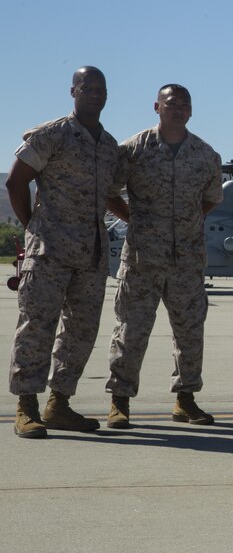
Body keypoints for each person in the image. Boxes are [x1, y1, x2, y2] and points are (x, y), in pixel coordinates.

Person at [6, 67, 120, 438]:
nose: (94, 94)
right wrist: (32, 227)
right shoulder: (52, 134)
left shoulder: (108, 145)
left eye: (100, 89)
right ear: (73, 91)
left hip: (91, 254)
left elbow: (112, 195)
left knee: (81, 332)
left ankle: (60, 403)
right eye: (87, 88)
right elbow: (16, 180)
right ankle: (26, 406)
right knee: (37, 327)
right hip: (51, 250)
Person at [103, 84, 223, 428]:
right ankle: (120, 401)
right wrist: (135, 219)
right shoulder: (134, 150)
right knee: (131, 329)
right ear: (157, 107)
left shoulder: (204, 154)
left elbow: (211, 198)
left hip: (187, 259)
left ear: (191, 111)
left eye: (185, 105)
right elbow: (110, 192)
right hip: (143, 258)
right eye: (171, 104)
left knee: (189, 332)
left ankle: (186, 399)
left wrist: (184, 221)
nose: (178, 110)